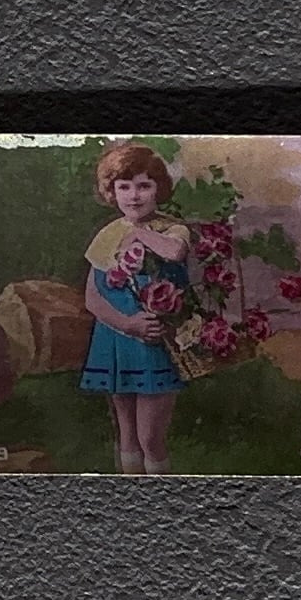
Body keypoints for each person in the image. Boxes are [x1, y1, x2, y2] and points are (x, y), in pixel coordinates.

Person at [79, 141, 196, 473]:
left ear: (159, 188)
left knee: (150, 437)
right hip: (118, 335)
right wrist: (127, 324)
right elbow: (92, 297)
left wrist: (140, 236)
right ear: (111, 192)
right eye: (124, 187)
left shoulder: (171, 228)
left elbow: (175, 252)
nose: (133, 196)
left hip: (154, 340)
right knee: (126, 434)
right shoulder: (107, 235)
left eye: (144, 186)